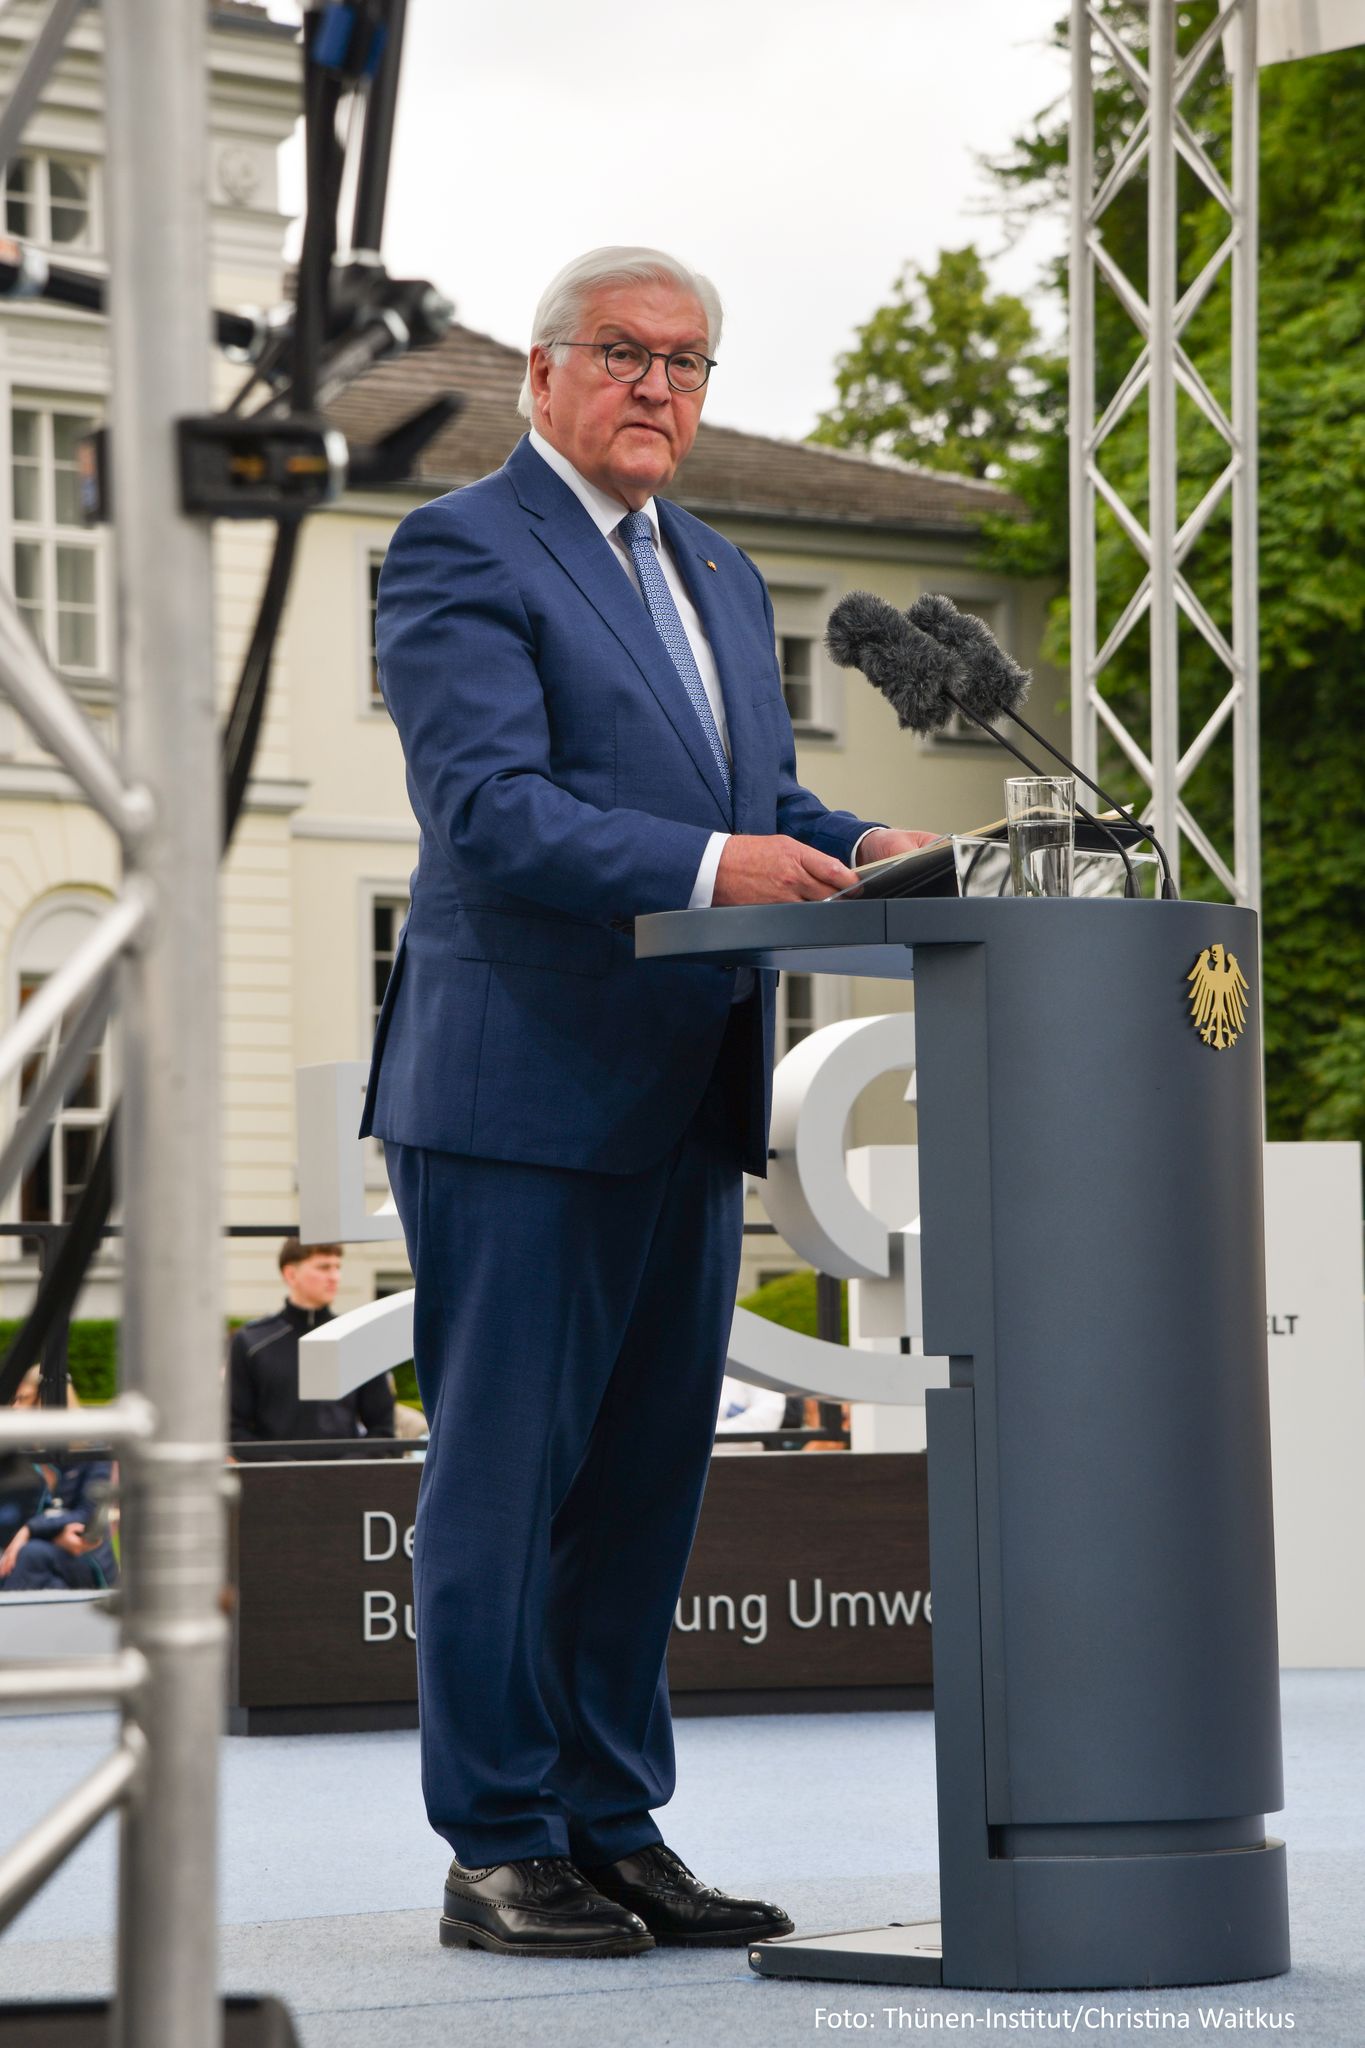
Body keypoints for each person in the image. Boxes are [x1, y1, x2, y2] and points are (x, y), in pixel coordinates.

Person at [362, 246, 934, 1959]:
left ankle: (613, 1825)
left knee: (639, 1494)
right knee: (505, 1485)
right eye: (624, 352)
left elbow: (754, 792)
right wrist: (714, 864)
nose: (657, 387)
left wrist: (861, 841)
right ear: (541, 372)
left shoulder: (721, 568)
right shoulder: (462, 545)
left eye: (687, 364)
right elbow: (491, 808)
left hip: (688, 1086)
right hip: (520, 1092)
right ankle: (498, 1843)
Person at [228, 1240, 395, 1451]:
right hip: (273, 1472)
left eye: (338, 1267)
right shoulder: (251, 1341)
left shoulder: (359, 1340)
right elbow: (234, 1429)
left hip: (347, 1472)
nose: (335, 1276)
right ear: (291, 1274)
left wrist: (346, 1467)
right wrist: (282, 1467)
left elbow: (383, 1431)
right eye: (324, 1267)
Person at [0, 1366, 117, 1593]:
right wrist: (51, 1535)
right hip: (32, 1560)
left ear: (49, 1403)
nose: (15, 1409)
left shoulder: (91, 1451)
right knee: (48, 1583)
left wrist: (30, 1530)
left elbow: (88, 1514)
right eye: (13, 1401)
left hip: (83, 1557)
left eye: (22, 1399)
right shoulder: (16, 1454)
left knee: (31, 1555)